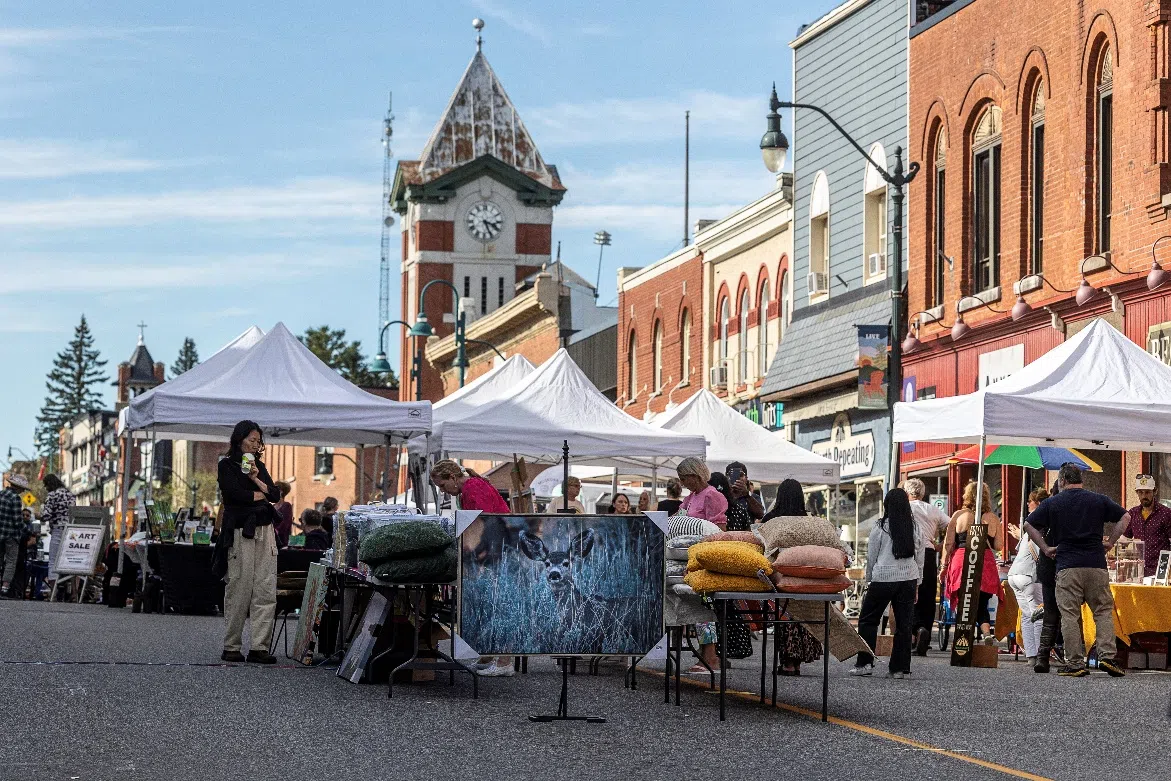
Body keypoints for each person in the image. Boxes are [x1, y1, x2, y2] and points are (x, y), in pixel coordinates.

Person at [1023, 463, 1128, 678]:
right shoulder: (1098, 500)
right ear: (1081, 480)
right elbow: (1125, 517)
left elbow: (1028, 525)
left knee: (1069, 615)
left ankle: (1075, 663)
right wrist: (1111, 542)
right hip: (1096, 565)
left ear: (1062, 480)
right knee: (1102, 611)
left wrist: (1046, 548)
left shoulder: (1053, 502)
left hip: (1067, 566)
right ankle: (1107, 656)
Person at [430, 459, 514, 678]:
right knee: (492, 605)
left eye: (442, 486)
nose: (443, 491)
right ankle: (492, 656)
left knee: (498, 605)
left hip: (498, 550)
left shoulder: (473, 488)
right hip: (496, 548)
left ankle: (504, 661)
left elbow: (483, 522)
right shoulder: (471, 487)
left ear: (452, 477)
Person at [217, 421, 281, 664]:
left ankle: (259, 646)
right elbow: (233, 495)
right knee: (239, 586)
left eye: (258, 441)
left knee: (265, 587)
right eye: (251, 440)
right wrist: (260, 496)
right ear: (239, 439)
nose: (255, 445)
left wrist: (256, 479)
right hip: (241, 530)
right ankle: (231, 645)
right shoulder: (226, 465)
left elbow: (274, 494)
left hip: (265, 529)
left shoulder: (259, 466)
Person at [851, 488, 924, 678]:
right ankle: (899, 669)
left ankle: (865, 663)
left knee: (868, 620)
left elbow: (872, 555)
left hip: (883, 578)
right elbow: (920, 557)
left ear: (887, 505)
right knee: (904, 625)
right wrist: (918, 582)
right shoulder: (914, 526)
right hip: (908, 578)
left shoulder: (881, 526)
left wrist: (869, 578)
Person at [764, 478, 826, 674]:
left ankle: (788, 662)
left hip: (779, 575)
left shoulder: (771, 519)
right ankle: (796, 662)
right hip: (804, 575)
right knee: (802, 617)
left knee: (784, 616)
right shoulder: (809, 520)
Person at [942, 480, 1002, 641]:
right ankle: (987, 633)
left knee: (964, 601)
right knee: (981, 602)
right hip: (984, 560)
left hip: (962, 559)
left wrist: (943, 566)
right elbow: (998, 545)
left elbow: (948, 544)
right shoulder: (992, 518)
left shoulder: (958, 515)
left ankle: (963, 639)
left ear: (967, 496)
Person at [903, 478, 949, 655]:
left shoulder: (905, 508)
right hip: (929, 553)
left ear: (907, 492)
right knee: (927, 595)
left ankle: (914, 632)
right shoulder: (933, 509)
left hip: (909, 553)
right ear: (922, 493)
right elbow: (953, 525)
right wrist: (941, 545)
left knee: (909, 592)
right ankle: (925, 632)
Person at [1031, 482, 1065, 673]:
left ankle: (1042, 657)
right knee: (1069, 613)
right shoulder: (1068, 505)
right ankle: (1072, 657)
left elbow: (1029, 525)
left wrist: (1044, 547)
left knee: (1051, 612)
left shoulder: (1046, 506)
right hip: (1065, 563)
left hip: (1048, 562)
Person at [1007, 495, 1044, 667]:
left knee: (1027, 616)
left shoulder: (1029, 527)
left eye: (1031, 501)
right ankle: (1039, 655)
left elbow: (1021, 549)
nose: (1028, 503)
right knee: (1038, 615)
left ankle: (1031, 656)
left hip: (1014, 574)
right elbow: (1042, 553)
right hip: (1029, 575)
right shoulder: (1042, 528)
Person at [1124, 474, 1171, 577]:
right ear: (1137, 493)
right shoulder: (1133, 513)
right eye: (1140, 492)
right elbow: (1124, 540)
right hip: (1139, 571)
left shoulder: (1166, 513)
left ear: (1155, 491)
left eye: (1147, 492)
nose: (1144, 496)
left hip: (1161, 571)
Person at [41, 474, 74, 584]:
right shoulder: (70, 494)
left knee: (53, 561)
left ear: (49, 484)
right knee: (70, 561)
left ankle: (54, 590)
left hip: (58, 529)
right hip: (71, 531)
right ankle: (71, 590)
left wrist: (37, 515)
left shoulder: (52, 495)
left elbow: (46, 515)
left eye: (46, 485)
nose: (45, 488)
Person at [677, 457, 727, 528]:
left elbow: (719, 528)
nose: (682, 484)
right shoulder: (691, 496)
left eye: (683, 479)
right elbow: (678, 517)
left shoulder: (711, 496)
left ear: (695, 476)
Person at [0, 473, 28, 595]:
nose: (23, 491)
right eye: (23, 488)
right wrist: (28, 530)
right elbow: (17, 521)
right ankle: (5, 588)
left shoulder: (1, 494)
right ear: (18, 487)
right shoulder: (15, 498)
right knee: (11, 561)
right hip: (11, 536)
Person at [725, 461, 764, 530]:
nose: (737, 478)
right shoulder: (721, 496)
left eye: (741, 475)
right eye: (731, 475)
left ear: (746, 478)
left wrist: (747, 494)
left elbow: (760, 514)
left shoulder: (753, 497)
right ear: (726, 477)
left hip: (746, 534)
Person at [272, 481, 293, 549]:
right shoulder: (272, 506)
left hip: (282, 542)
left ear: (281, 492)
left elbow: (285, 523)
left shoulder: (287, 506)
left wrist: (275, 531)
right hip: (271, 541)